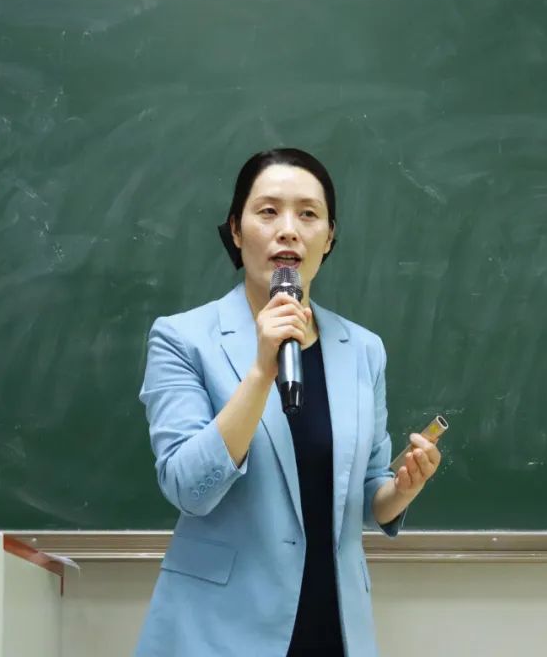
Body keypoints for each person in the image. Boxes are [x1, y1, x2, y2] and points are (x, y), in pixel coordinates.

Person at [136, 148, 441, 656]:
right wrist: (261, 372)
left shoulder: (362, 349)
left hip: (334, 623)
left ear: (330, 237)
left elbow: (369, 493)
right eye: (268, 211)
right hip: (217, 630)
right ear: (236, 230)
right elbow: (188, 488)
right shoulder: (182, 339)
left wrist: (402, 488)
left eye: (308, 214)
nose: (288, 230)